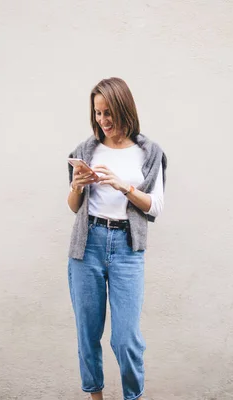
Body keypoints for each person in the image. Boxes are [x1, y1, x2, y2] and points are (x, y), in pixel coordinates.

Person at [66, 77, 167, 400]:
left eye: (108, 112)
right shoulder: (86, 149)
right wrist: (78, 185)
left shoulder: (148, 152)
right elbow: (73, 207)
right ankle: (95, 397)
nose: (103, 120)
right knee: (88, 332)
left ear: (124, 108)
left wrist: (123, 186)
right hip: (87, 245)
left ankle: (132, 396)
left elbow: (156, 207)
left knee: (126, 338)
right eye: (97, 113)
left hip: (126, 247)